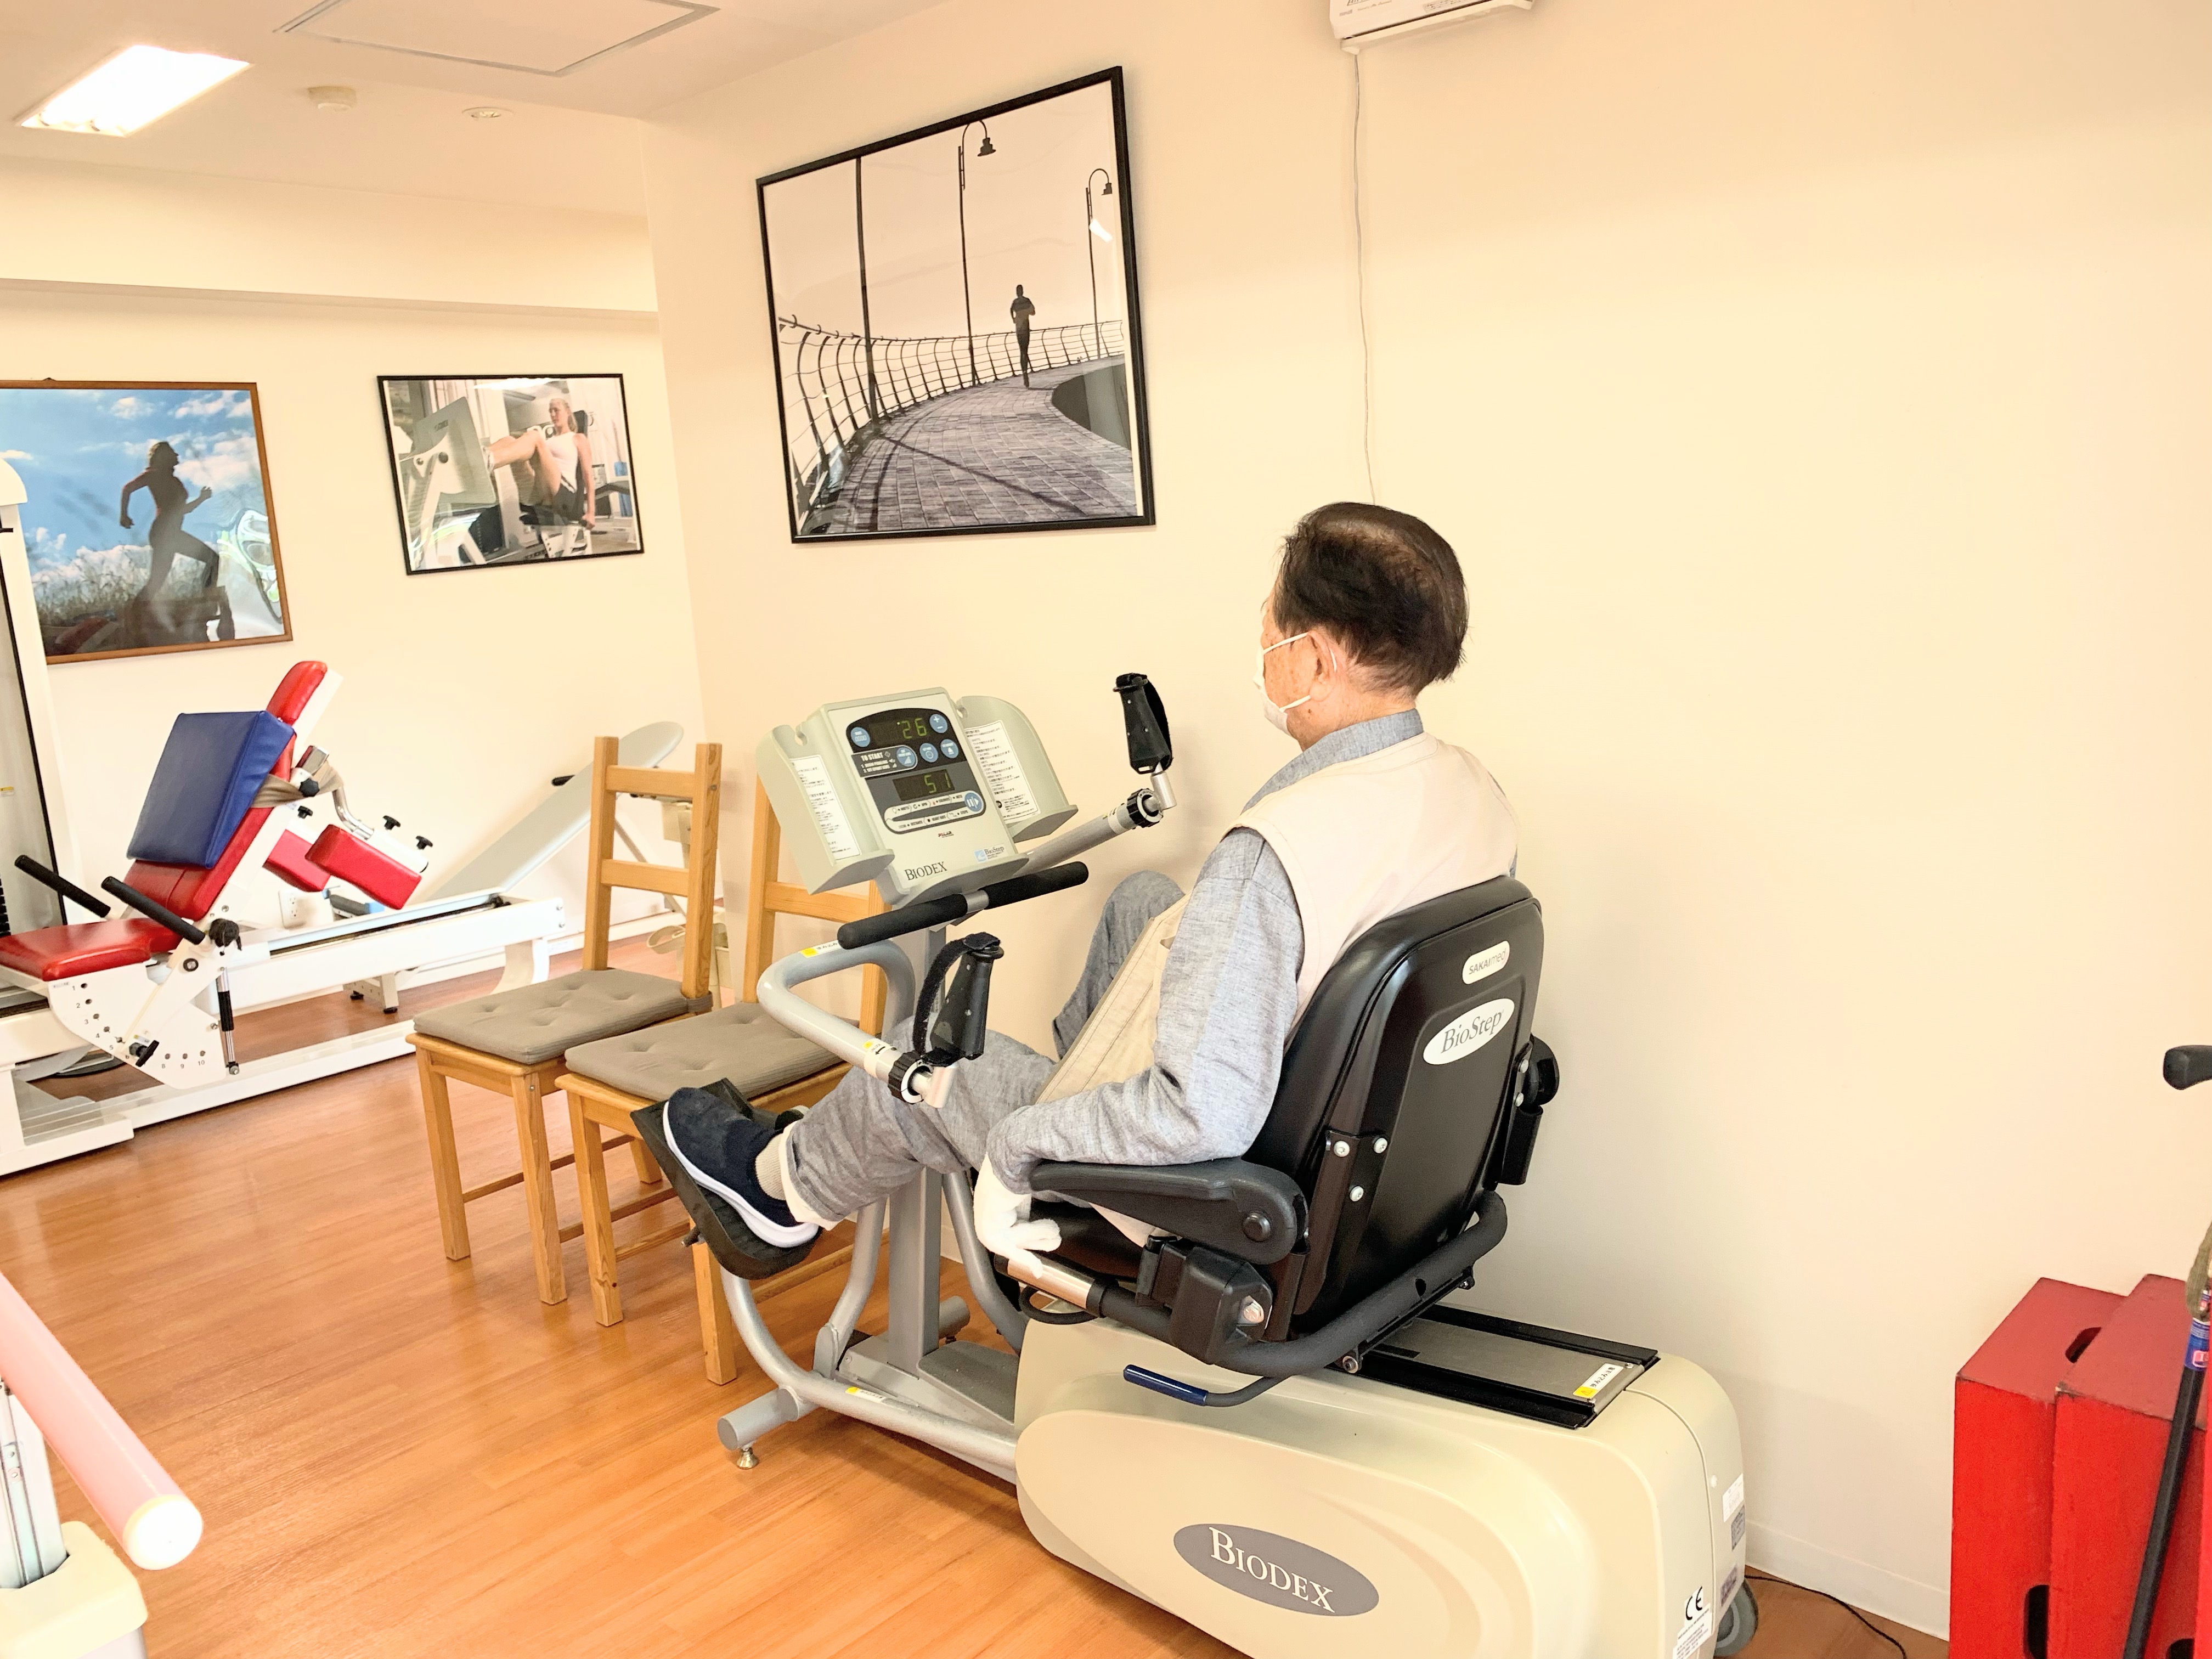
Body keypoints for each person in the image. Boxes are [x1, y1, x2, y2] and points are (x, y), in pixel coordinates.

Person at [641, 502, 1521, 1279]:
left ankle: (777, 1196)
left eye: (1272, 637)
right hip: (1339, 1134)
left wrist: (1021, 1142)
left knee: (913, 1059)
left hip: (1203, 1182)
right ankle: (1048, 1091)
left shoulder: (1273, 851)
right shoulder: (1470, 790)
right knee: (1144, 897)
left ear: (1317, 660)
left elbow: (1205, 1115)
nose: (1263, 653)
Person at [119, 441, 230, 639]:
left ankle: (135, 615)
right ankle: (204, 600)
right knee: (212, 560)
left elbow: (183, 510)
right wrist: (124, 515)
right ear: (164, 457)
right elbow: (127, 488)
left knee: (158, 580)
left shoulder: (174, 481)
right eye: (173, 453)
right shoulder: (154, 475)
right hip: (164, 533)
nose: (177, 456)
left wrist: (201, 499)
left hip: (171, 533)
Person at [488, 394, 594, 542]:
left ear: (568, 412)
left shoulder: (577, 438)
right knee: (509, 440)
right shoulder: (547, 442)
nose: (553, 414)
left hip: (564, 494)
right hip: (540, 493)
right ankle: (483, 459)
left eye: (556, 410)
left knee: (534, 436)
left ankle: (490, 460)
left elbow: (588, 475)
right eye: (551, 411)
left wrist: (591, 512)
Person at [1009, 285, 1036, 387]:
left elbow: (1011, 310)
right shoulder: (1026, 301)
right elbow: (1033, 312)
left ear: (1017, 292)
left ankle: (1024, 372)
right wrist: (1026, 312)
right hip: (1026, 329)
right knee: (1025, 351)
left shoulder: (1015, 302)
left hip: (1019, 330)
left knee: (1022, 351)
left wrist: (1014, 319)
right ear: (1023, 291)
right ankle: (1026, 372)